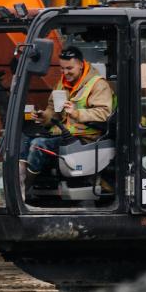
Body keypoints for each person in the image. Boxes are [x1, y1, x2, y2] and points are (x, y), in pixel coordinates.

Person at [20, 44, 115, 193]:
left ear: (81, 65)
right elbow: (54, 110)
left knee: (39, 145)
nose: (65, 72)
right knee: (24, 138)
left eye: (69, 68)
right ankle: (19, 182)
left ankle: (23, 190)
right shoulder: (62, 83)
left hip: (86, 139)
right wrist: (44, 116)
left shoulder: (98, 85)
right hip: (63, 134)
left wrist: (77, 112)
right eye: (62, 69)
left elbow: (104, 113)